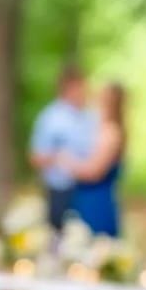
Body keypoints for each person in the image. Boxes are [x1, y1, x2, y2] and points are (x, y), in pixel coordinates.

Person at [29, 65, 95, 231]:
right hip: (60, 190)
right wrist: (60, 158)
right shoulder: (50, 118)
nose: (82, 92)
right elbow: (36, 157)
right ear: (67, 88)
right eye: (78, 87)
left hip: (88, 190)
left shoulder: (89, 117)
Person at [58, 83, 126, 238]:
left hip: (96, 201)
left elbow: (94, 172)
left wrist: (67, 161)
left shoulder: (110, 132)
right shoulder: (96, 127)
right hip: (85, 197)